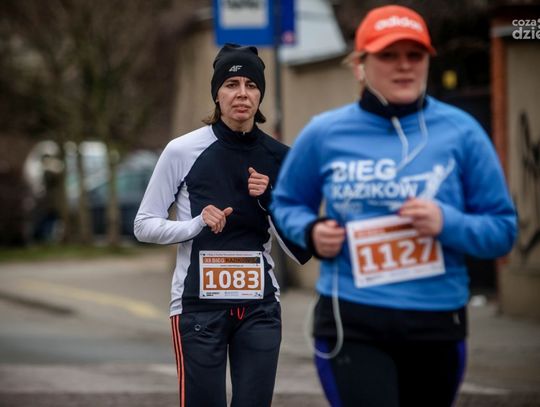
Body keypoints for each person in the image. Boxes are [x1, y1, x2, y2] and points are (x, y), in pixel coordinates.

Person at [271, 5, 517, 407]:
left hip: (436, 323)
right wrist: (312, 232)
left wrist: (447, 222)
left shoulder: (462, 132)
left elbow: (503, 231)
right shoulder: (325, 133)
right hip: (352, 321)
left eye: (414, 55)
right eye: (388, 55)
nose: (404, 66)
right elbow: (286, 204)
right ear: (359, 65)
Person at [134, 43, 310, 406]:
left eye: (251, 85)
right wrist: (195, 224)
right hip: (198, 307)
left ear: (260, 94)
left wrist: (270, 201)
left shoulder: (282, 158)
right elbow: (144, 225)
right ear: (217, 94)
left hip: (260, 308)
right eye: (231, 85)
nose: (242, 93)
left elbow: (302, 250)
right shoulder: (182, 151)